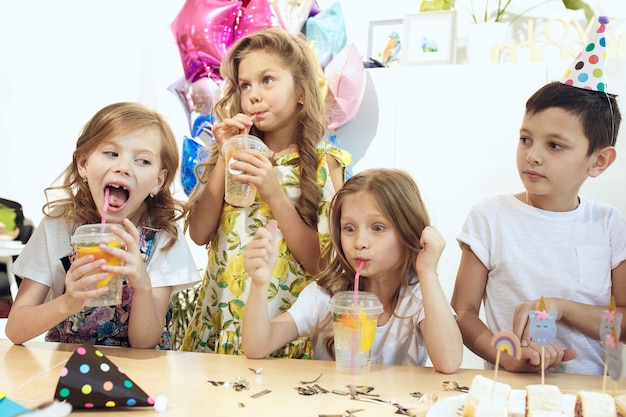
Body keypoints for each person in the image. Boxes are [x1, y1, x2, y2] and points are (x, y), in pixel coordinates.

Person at [180, 27, 350, 356]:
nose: (254, 94)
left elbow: (322, 264)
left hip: (281, 334)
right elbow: (200, 233)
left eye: (267, 80)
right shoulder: (232, 154)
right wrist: (224, 155)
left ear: (301, 90)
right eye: (245, 85)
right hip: (220, 326)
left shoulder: (325, 164)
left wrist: (274, 193)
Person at [451, 77, 625, 373]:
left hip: (591, 396)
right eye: (525, 139)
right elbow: (462, 313)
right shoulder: (490, 217)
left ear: (598, 161)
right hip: (507, 391)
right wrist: (505, 356)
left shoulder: (609, 223)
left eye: (555, 145)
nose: (532, 156)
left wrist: (563, 308)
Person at [6, 102, 200, 348]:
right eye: (111, 153)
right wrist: (68, 302)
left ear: (157, 181)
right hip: (68, 369)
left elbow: (145, 343)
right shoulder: (57, 226)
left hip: (140, 374)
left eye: (142, 161)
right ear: (83, 164)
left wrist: (141, 283)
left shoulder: (163, 237)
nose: (123, 167)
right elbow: (16, 330)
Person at [241, 169, 463, 373]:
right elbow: (257, 345)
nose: (360, 242)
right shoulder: (327, 294)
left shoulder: (418, 296)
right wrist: (260, 284)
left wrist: (427, 272)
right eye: (349, 228)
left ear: (409, 232)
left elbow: (449, 361)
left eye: (378, 228)